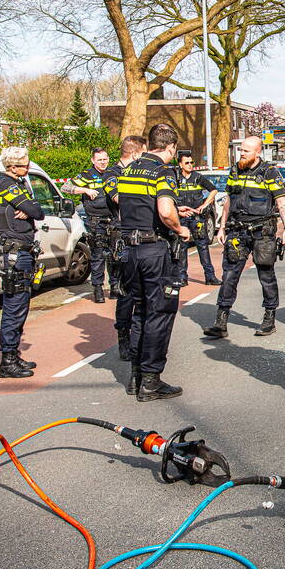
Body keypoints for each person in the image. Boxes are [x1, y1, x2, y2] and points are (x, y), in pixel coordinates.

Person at [117, 123, 190, 401]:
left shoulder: (129, 169)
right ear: (171, 147)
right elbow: (165, 211)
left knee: (140, 312)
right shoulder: (163, 171)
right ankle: (151, 381)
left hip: (130, 251)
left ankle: (136, 377)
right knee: (160, 314)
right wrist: (179, 227)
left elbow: (133, 206)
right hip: (154, 251)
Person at [203, 137, 285, 339]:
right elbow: (228, 200)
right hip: (237, 231)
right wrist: (222, 227)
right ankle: (221, 321)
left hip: (262, 232)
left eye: (246, 151)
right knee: (229, 276)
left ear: (257, 153)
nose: (241, 153)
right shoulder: (235, 170)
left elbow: (281, 201)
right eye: (241, 150)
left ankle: (269, 318)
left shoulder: (269, 172)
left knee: (266, 276)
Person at [0, 146, 45, 378]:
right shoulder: (7, 185)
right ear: (12, 167)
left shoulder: (16, 185)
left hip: (22, 251)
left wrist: (29, 210)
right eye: (24, 165)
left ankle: (14, 355)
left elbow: (34, 210)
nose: (28, 167)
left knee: (21, 305)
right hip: (15, 252)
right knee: (14, 307)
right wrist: (28, 209)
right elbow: (36, 210)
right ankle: (7, 362)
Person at [103, 134, 146, 394]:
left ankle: (139, 340)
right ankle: (123, 336)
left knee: (138, 291)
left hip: (139, 237)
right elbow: (120, 199)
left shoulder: (135, 173)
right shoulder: (113, 173)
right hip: (120, 236)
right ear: (134, 154)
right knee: (125, 292)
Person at [63, 148, 116, 303]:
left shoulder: (112, 173)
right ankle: (98, 288)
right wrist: (84, 190)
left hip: (112, 219)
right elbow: (65, 187)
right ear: (93, 160)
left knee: (115, 255)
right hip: (95, 220)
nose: (103, 162)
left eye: (105, 159)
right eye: (100, 160)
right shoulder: (86, 175)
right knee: (98, 255)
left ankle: (114, 286)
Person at [174, 150, 221, 286]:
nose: (190, 165)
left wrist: (204, 205)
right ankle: (182, 277)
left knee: (203, 247)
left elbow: (213, 190)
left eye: (191, 162)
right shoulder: (175, 178)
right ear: (180, 164)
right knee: (182, 248)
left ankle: (210, 276)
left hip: (197, 218)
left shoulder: (197, 177)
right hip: (181, 218)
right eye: (187, 163)